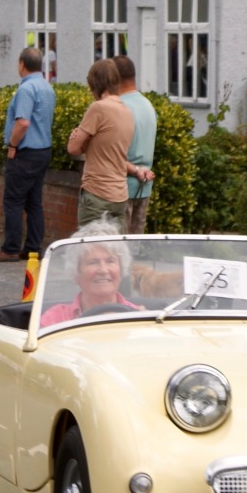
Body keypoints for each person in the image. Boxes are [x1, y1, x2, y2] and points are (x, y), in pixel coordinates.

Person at [0, 47, 56, 262]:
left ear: (21, 64)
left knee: (13, 200)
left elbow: (23, 122)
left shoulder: (26, 89)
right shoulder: (47, 87)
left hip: (26, 152)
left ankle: (11, 248)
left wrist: (13, 145)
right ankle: (33, 248)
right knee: (34, 202)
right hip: (43, 150)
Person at [67, 58, 135, 232]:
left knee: (89, 250)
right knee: (114, 252)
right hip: (120, 195)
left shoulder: (98, 108)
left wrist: (77, 136)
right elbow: (109, 147)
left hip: (97, 193)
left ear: (95, 84)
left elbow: (73, 148)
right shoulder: (127, 111)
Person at [39, 218, 142, 326]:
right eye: (93, 262)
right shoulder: (55, 319)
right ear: (76, 273)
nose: (103, 270)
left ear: (121, 270)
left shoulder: (138, 317)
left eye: (110, 261)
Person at [114, 56, 157, 234]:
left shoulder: (120, 108)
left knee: (118, 252)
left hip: (122, 185)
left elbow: (113, 154)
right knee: (134, 249)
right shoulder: (148, 106)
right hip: (144, 186)